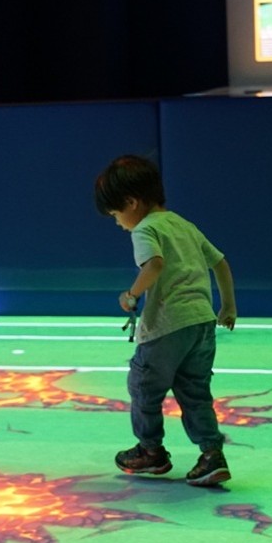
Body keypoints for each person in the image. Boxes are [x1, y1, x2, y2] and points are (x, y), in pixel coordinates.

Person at [93, 154, 238, 487]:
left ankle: (150, 451)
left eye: (116, 214)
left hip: (165, 327)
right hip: (201, 323)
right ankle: (211, 455)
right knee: (196, 393)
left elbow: (153, 265)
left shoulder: (145, 229)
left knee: (144, 387)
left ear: (131, 202)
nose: (117, 222)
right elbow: (221, 263)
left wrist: (131, 296)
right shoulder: (183, 224)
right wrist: (228, 305)